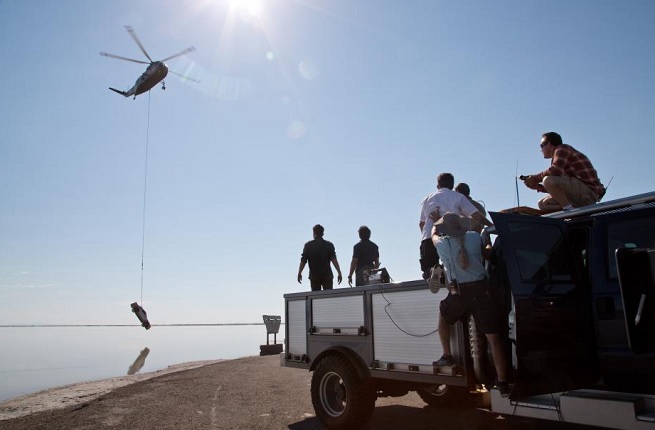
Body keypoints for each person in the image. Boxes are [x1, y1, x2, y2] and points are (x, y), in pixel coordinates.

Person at [431, 212, 510, 397]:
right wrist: (489, 243)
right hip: (482, 291)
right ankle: (504, 383)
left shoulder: (443, 244)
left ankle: (447, 355)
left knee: (443, 315)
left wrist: (436, 223)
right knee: (494, 338)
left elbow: (433, 235)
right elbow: (488, 254)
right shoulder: (474, 237)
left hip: (458, 293)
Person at [419, 173, 493, 279]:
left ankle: (433, 271)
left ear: (437, 185)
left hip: (428, 237)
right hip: (449, 237)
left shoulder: (427, 199)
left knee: (427, 270)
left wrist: (425, 236)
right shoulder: (457, 197)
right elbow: (476, 215)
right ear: (452, 185)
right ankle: (445, 274)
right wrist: (491, 225)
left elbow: (421, 223)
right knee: (453, 266)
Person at [523, 132, 605, 213]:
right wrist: (538, 187)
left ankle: (569, 211)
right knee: (542, 204)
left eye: (542, 145)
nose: (541, 150)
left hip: (589, 191)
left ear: (549, 144)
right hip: (581, 194)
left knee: (547, 180)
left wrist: (535, 178)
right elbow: (559, 188)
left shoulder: (562, 149)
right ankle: (572, 208)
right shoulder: (558, 157)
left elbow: (555, 171)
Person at [297, 224, 343, 291]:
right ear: (323, 233)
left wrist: (299, 273)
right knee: (328, 297)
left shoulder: (308, 245)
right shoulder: (329, 245)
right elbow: (334, 260)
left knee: (315, 299)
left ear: (314, 233)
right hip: (327, 275)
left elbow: (303, 261)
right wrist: (339, 272)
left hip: (314, 276)